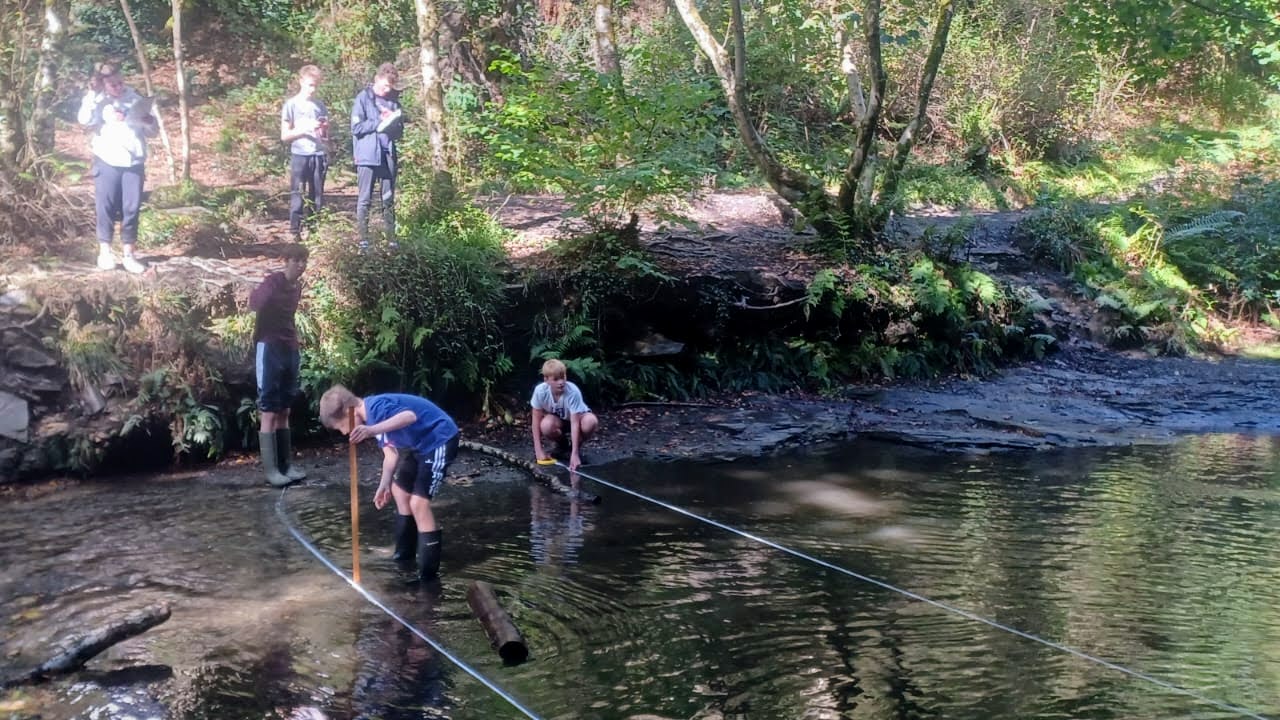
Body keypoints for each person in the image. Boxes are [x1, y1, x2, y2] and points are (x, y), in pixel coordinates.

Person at [319, 385, 460, 581]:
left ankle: (428, 576)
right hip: (421, 447)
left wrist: (371, 430)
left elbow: (409, 416)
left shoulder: (376, 408)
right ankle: (404, 557)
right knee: (399, 491)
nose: (344, 432)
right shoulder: (370, 419)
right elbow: (390, 454)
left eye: (341, 426)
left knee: (418, 504)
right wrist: (384, 484)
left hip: (439, 439)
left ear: (349, 412)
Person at [77, 63, 157, 274]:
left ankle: (129, 254)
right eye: (113, 85)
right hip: (107, 159)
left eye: (120, 82)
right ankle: (105, 252)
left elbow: (152, 131)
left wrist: (148, 121)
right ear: (103, 85)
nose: (118, 87)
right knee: (107, 205)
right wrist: (92, 95)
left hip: (134, 161)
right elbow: (83, 120)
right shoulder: (98, 101)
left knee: (131, 207)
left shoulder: (136, 98)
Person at [249, 244, 309, 487]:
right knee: (269, 408)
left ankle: (286, 466)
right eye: (297, 260)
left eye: (304, 261)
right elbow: (254, 303)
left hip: (289, 348)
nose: (301, 265)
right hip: (269, 347)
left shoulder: (297, 288)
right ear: (286, 261)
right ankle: (272, 471)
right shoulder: (273, 282)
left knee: (285, 408)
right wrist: (260, 292)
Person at [351, 63, 405, 248]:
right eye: (384, 86)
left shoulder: (393, 101)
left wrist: (395, 121)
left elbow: (399, 133)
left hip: (387, 155)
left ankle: (391, 239)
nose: (387, 90)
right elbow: (356, 128)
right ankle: (364, 240)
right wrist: (378, 121)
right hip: (367, 155)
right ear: (377, 79)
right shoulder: (363, 98)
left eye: (390, 87)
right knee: (365, 198)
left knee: (388, 198)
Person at [280, 65, 329, 242]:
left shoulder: (320, 106)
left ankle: (313, 230)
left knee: (317, 196)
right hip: (300, 155)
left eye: (316, 85)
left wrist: (323, 132)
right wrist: (304, 129)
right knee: (297, 194)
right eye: (310, 85)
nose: (313, 89)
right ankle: (295, 231)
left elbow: (324, 136)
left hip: (318, 155)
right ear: (301, 81)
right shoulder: (291, 105)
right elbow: (284, 136)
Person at [530, 359, 598, 471]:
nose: (561, 382)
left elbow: (575, 423)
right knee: (545, 425)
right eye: (556, 379)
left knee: (591, 422)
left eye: (563, 377)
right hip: (559, 421)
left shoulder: (572, 391)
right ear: (546, 380)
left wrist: (575, 454)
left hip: (578, 420)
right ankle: (563, 445)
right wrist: (538, 451)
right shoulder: (540, 391)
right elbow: (535, 420)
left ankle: (573, 449)